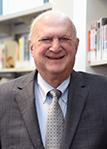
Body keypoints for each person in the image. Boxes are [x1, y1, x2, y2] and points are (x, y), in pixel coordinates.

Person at [0, 10, 107, 149]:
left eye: (64, 39)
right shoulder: (3, 98)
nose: (55, 47)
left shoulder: (103, 91)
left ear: (76, 45)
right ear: (31, 47)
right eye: (46, 39)